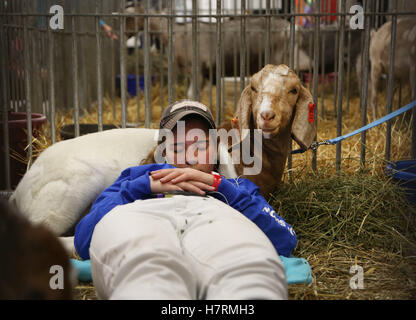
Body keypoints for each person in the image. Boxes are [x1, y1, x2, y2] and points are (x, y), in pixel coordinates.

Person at [74, 100, 297, 300]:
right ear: (163, 152)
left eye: (201, 146)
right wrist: (142, 187)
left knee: (249, 274)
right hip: (144, 216)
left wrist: (219, 187)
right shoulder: (132, 180)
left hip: (214, 219)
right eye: (178, 147)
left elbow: (285, 239)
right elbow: (84, 240)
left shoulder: (237, 188)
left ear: (215, 150)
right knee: (144, 271)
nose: (190, 157)